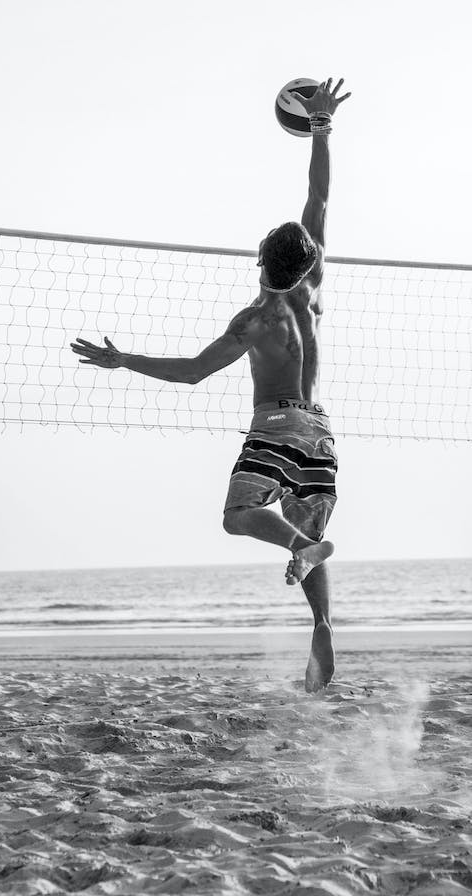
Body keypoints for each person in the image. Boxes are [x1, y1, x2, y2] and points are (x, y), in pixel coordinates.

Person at [70, 78, 351, 692]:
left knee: (240, 515)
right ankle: (323, 626)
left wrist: (125, 362)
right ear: (307, 261)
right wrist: (322, 127)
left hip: (277, 426)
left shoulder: (255, 322)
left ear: (260, 259)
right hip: (321, 433)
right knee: (307, 538)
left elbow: (192, 371)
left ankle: (304, 549)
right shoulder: (314, 289)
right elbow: (319, 198)